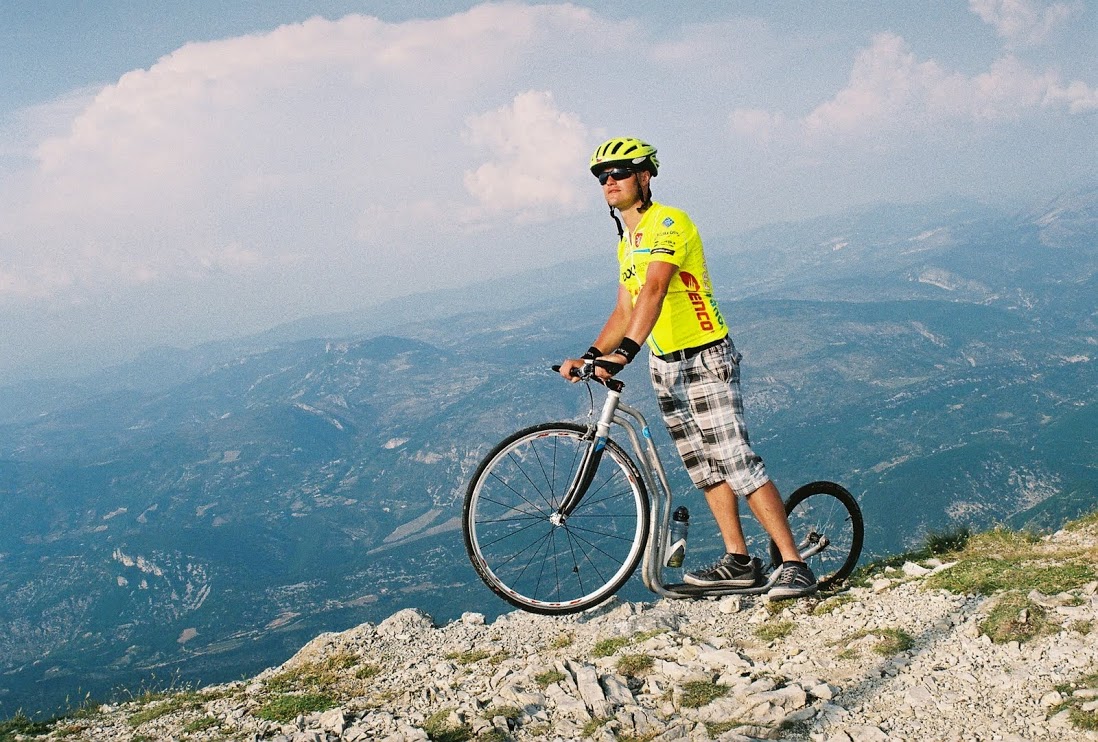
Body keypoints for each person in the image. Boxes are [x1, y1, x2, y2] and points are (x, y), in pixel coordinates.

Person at [558, 136, 817, 600]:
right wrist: (594, 353)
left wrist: (626, 354)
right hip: (665, 364)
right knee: (704, 466)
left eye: (619, 172)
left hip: (705, 357)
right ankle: (739, 560)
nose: (609, 182)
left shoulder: (670, 223)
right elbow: (625, 309)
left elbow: (655, 290)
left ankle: (794, 563)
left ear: (645, 176)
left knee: (737, 460)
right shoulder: (628, 241)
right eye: (601, 176)